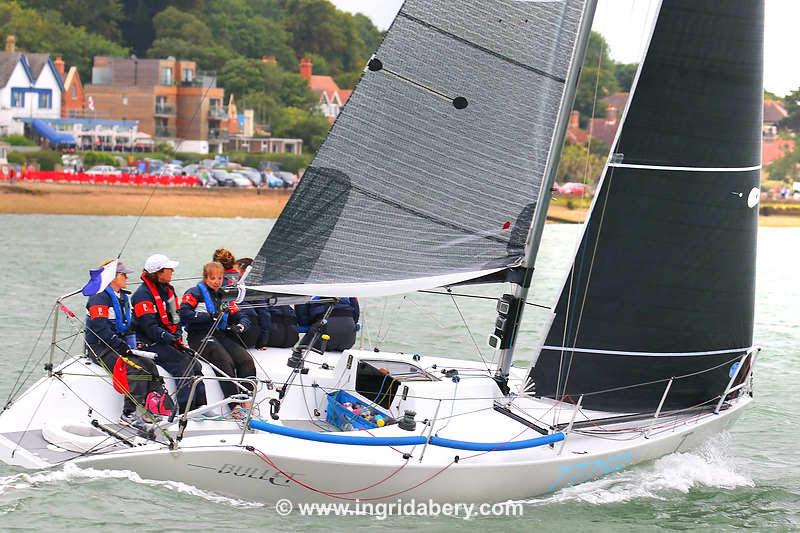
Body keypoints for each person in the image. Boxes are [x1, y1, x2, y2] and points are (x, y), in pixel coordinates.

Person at [85, 260, 165, 429]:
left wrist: (133, 346)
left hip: (119, 345)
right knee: (133, 367)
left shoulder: (123, 298)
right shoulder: (99, 298)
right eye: (123, 275)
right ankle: (127, 414)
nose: (127, 277)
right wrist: (120, 346)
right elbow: (100, 328)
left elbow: (128, 327)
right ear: (113, 277)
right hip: (100, 348)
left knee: (149, 365)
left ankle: (150, 408)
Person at [180, 262, 257, 416]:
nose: (217, 281)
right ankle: (234, 405)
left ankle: (246, 400)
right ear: (205, 278)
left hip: (219, 335)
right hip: (199, 337)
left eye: (220, 278)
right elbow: (184, 314)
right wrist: (208, 317)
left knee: (246, 360)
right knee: (224, 360)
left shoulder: (225, 295)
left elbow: (242, 315)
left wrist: (241, 325)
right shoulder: (194, 293)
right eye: (213, 278)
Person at [132, 254, 206, 413]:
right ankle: (186, 410)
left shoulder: (168, 291)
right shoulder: (141, 295)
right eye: (168, 269)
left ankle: (202, 406)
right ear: (158, 272)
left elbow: (176, 317)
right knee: (182, 364)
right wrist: (169, 338)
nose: (172, 271)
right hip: (148, 343)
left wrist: (177, 335)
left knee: (195, 363)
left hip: (166, 340)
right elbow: (149, 327)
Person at [295, 297, 360, 352]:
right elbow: (356, 317)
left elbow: (303, 321)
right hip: (348, 341)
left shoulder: (309, 296)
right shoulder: (347, 294)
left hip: (322, 339)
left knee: (299, 350)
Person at [233, 257, 271, 349]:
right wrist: (263, 342)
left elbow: (264, 314)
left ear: (244, 272)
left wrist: (262, 342)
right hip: (252, 336)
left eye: (235, 271)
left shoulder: (243, 289)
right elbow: (264, 314)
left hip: (243, 336)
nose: (232, 274)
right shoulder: (255, 289)